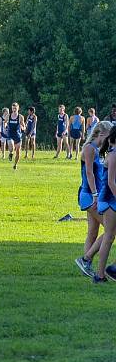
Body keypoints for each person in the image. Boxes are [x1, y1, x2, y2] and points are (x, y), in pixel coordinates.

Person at [73, 121, 112, 277]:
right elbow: (89, 173)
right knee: (111, 230)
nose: (110, 141)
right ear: (101, 134)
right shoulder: (89, 148)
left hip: (93, 195)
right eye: (109, 137)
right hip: (89, 195)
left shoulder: (96, 150)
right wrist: (96, 195)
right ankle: (86, 259)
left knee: (93, 232)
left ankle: (85, 265)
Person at [91, 126, 116, 282]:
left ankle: (112, 269)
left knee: (110, 236)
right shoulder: (113, 155)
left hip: (111, 198)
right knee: (108, 236)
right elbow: (111, 182)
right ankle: (100, 275)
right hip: (109, 199)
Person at [8, 102, 26, 170]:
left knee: (18, 151)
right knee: (12, 146)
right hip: (10, 134)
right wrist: (5, 125)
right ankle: (11, 153)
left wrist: (23, 128)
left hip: (18, 135)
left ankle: (15, 165)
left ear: (18, 108)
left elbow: (23, 125)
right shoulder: (9, 116)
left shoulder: (20, 117)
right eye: (13, 108)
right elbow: (5, 122)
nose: (14, 109)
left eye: (15, 108)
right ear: (12, 108)